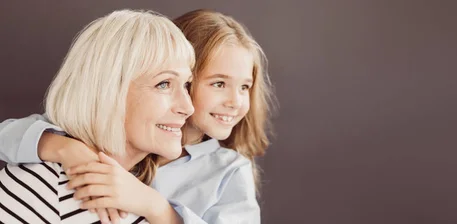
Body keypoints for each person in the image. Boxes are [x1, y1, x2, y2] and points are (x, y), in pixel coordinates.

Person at [0, 9, 275, 224]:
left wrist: (155, 207)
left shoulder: (227, 169)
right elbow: (8, 135)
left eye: (245, 87)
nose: (235, 101)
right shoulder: (130, 143)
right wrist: (65, 149)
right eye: (218, 83)